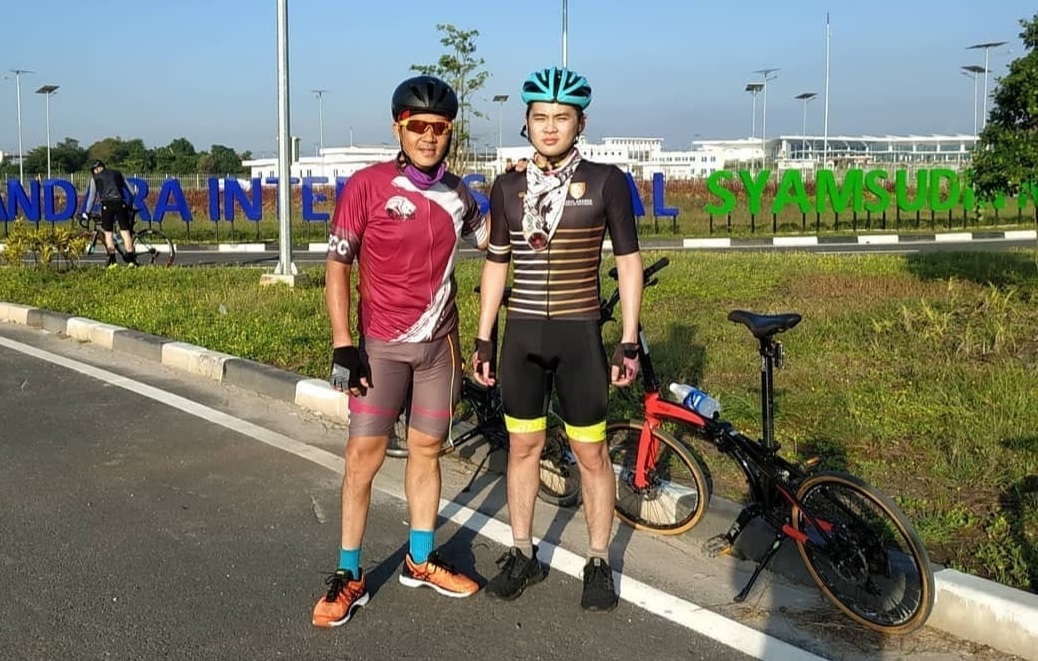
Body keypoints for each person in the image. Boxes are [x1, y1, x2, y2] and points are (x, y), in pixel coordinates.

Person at [312, 74, 490, 628]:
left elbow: (499, 244)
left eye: (439, 127)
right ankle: (349, 574)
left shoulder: (461, 195)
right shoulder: (366, 186)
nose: (429, 137)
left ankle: (420, 559)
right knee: (361, 458)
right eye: (418, 127)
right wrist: (343, 344)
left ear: (450, 132)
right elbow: (337, 267)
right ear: (398, 128)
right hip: (381, 350)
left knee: (427, 450)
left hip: (440, 349)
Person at [472, 66, 643, 613]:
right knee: (523, 448)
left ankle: (598, 560)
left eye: (561, 117)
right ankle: (522, 551)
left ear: (580, 124)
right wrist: (483, 336)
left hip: (579, 336)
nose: (550, 127)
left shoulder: (607, 181)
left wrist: (629, 338)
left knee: (590, 453)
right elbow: (496, 264)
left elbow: (628, 262)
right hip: (521, 334)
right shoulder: (507, 187)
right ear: (526, 122)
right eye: (540, 117)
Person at [80, 159, 137, 267]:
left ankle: (113, 261)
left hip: (107, 205)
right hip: (120, 203)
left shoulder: (95, 178)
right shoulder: (118, 173)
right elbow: (132, 191)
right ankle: (131, 261)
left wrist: (87, 213)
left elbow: (92, 198)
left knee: (108, 233)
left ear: (96, 169)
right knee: (125, 232)